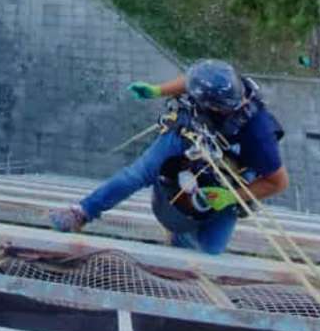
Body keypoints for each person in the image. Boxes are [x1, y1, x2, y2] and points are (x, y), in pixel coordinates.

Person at [51, 59, 288, 255]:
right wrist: (156, 91)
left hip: (228, 173)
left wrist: (231, 197)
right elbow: (190, 83)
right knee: (136, 174)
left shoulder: (258, 135)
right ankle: (82, 212)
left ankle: (181, 249)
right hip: (190, 135)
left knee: (209, 250)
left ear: (215, 106)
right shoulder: (220, 82)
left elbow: (278, 182)